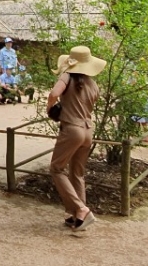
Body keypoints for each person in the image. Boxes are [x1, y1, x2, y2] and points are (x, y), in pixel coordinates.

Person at [47, 45, 104, 231]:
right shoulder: (92, 83)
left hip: (72, 129)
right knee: (77, 173)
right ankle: (77, 217)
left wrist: (50, 108)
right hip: (88, 130)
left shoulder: (67, 77)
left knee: (56, 168)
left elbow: (54, 94)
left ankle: (81, 209)